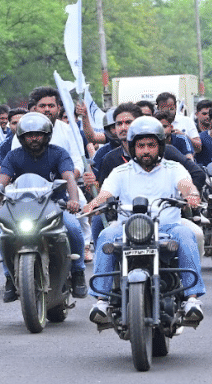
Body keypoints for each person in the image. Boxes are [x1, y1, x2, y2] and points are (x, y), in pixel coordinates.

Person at [82, 117, 205, 326]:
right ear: (132, 148)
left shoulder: (174, 168)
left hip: (168, 227)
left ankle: (192, 299)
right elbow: (106, 193)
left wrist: (191, 195)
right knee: (105, 235)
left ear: (160, 146)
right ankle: (102, 300)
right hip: (127, 229)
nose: (146, 150)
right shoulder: (121, 172)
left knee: (187, 235)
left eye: (151, 145)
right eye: (140, 146)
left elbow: (186, 185)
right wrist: (94, 203)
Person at [0, 112, 88, 301]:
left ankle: (78, 272)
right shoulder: (13, 156)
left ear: (47, 135)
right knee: (2, 234)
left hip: (54, 206)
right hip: (20, 207)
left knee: (74, 227)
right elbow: (1, 182)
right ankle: (9, 277)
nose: (34, 138)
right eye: (29, 135)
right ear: (22, 137)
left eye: (38, 134)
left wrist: (73, 200)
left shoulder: (59, 153)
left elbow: (69, 178)